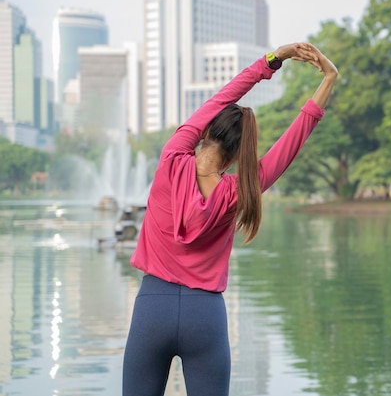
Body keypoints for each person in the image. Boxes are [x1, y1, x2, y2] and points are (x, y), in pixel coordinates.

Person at [122, 42, 338, 396]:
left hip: (152, 309)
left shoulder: (172, 157)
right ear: (239, 153)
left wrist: (273, 59)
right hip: (205, 316)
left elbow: (222, 99)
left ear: (206, 131)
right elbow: (292, 142)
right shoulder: (242, 190)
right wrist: (329, 78)